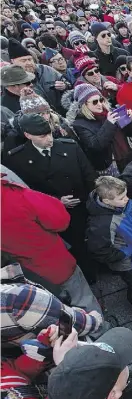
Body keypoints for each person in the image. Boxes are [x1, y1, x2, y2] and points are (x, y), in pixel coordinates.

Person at [3, 113, 99, 283]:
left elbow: (89, 176)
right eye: (42, 136)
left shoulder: (70, 147)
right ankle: (89, 276)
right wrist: (57, 201)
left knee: (92, 240)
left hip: (82, 206)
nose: (49, 139)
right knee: (76, 248)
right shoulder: (17, 159)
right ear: (27, 135)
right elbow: (27, 191)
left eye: (49, 133)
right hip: (54, 214)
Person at [0, 180, 105, 333]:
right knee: (83, 300)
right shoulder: (16, 196)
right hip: (56, 265)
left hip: (23, 278)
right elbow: (61, 220)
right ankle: (101, 332)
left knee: (54, 315)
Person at [86, 176, 132, 312]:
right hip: (128, 263)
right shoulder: (102, 224)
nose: (127, 199)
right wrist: (125, 254)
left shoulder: (124, 204)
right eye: (121, 198)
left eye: (126, 195)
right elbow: (99, 250)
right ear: (107, 201)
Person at [1, 262, 102, 349]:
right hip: (68, 344)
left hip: (32, 346)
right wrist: (95, 319)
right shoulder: (17, 299)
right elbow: (77, 323)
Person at [67, 83, 132, 175]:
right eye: (95, 102)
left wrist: (131, 120)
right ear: (84, 104)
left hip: (128, 157)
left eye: (101, 100)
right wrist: (109, 123)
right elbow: (96, 145)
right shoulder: (79, 124)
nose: (100, 104)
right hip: (110, 165)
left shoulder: (111, 112)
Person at [7, 38, 66, 113]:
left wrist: (65, 86)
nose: (29, 63)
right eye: (24, 60)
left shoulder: (46, 69)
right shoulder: (11, 81)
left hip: (61, 113)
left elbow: (66, 82)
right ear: (13, 62)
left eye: (30, 59)